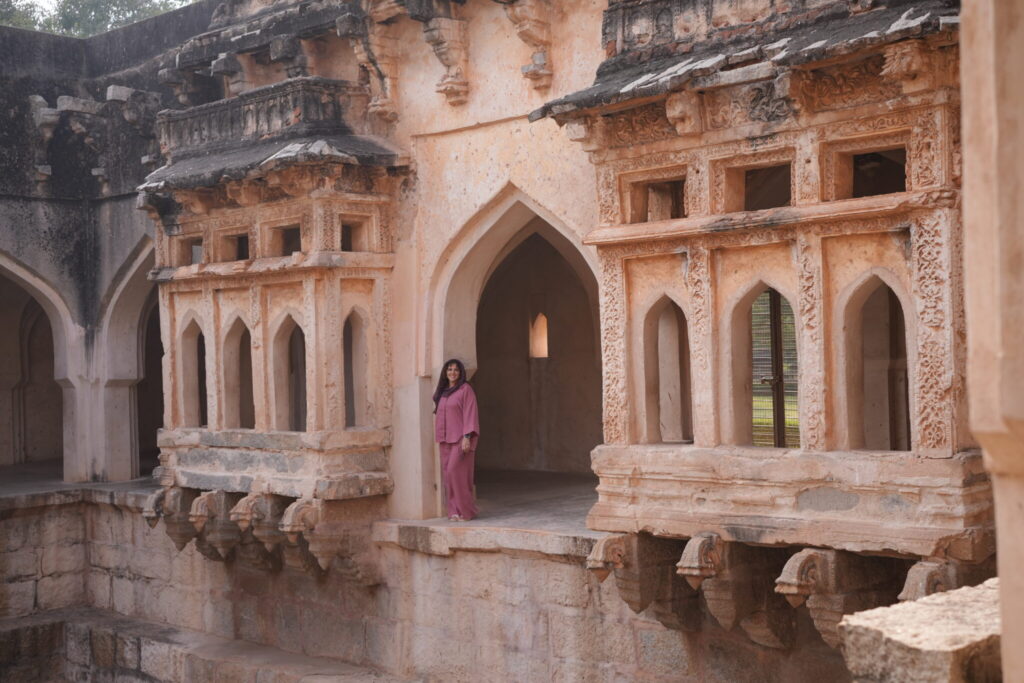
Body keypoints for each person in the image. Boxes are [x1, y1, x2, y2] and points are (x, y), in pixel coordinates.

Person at [433, 358, 479, 521]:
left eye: (456, 370)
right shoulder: (443, 391)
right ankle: (453, 511)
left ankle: (466, 511)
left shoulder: (466, 389)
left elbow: (470, 413)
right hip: (445, 439)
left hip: (460, 439)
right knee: (448, 475)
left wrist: (467, 437)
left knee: (456, 473)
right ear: (445, 373)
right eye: (449, 369)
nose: (452, 372)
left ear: (461, 373)